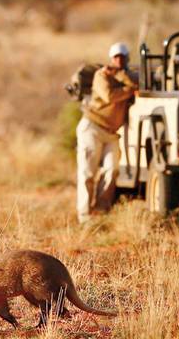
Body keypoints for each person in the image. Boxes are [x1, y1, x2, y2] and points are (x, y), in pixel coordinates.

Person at [76, 42, 137, 224]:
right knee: (87, 172)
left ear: (127, 59)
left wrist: (123, 78)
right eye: (116, 57)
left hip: (111, 132)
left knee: (112, 170)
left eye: (122, 57)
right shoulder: (101, 75)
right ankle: (85, 216)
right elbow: (109, 96)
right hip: (93, 127)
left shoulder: (126, 75)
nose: (119, 60)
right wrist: (129, 89)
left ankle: (101, 211)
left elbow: (139, 83)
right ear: (111, 58)